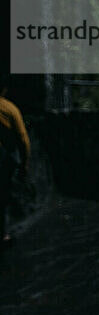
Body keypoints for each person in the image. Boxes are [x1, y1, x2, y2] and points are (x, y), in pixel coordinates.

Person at [0, 74, 30, 248]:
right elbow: (23, 139)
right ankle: (3, 235)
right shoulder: (9, 109)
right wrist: (24, 164)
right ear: (4, 89)